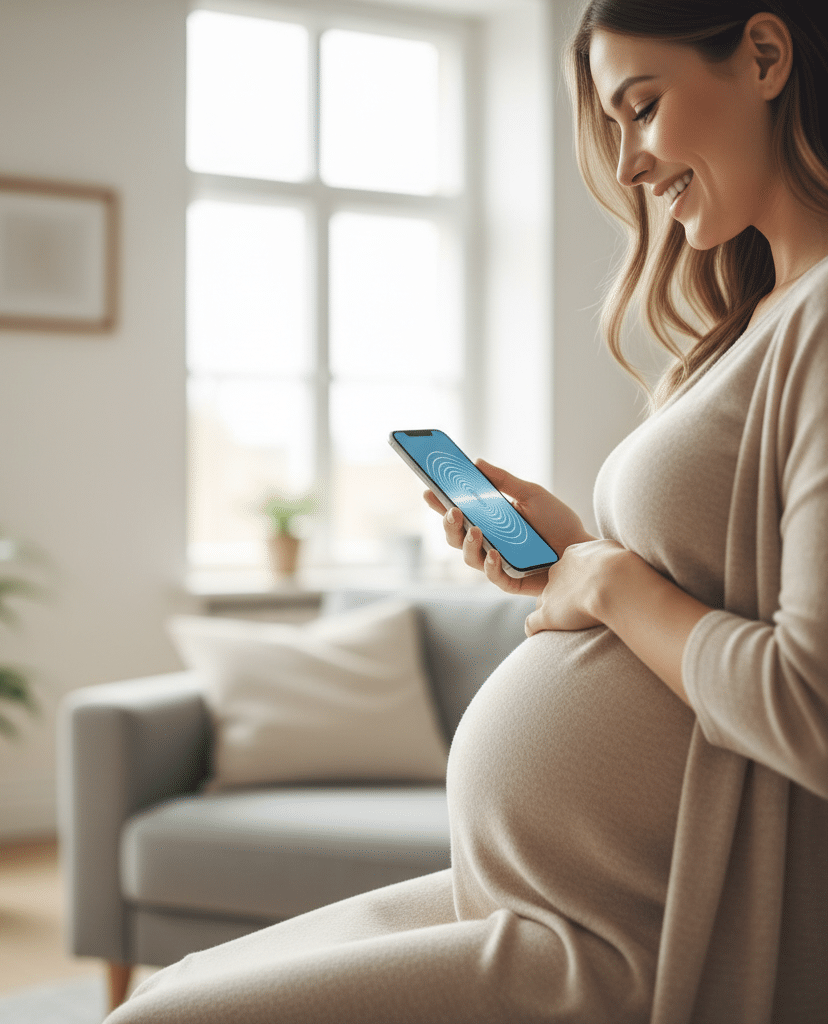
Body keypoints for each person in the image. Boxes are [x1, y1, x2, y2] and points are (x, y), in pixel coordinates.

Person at [109, 2, 828, 1021]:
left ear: (763, 55)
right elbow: (710, 594)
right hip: (536, 897)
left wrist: (611, 582)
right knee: (170, 990)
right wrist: (569, 555)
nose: (626, 164)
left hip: (638, 940)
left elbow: (811, 705)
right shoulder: (750, 320)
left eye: (642, 106)